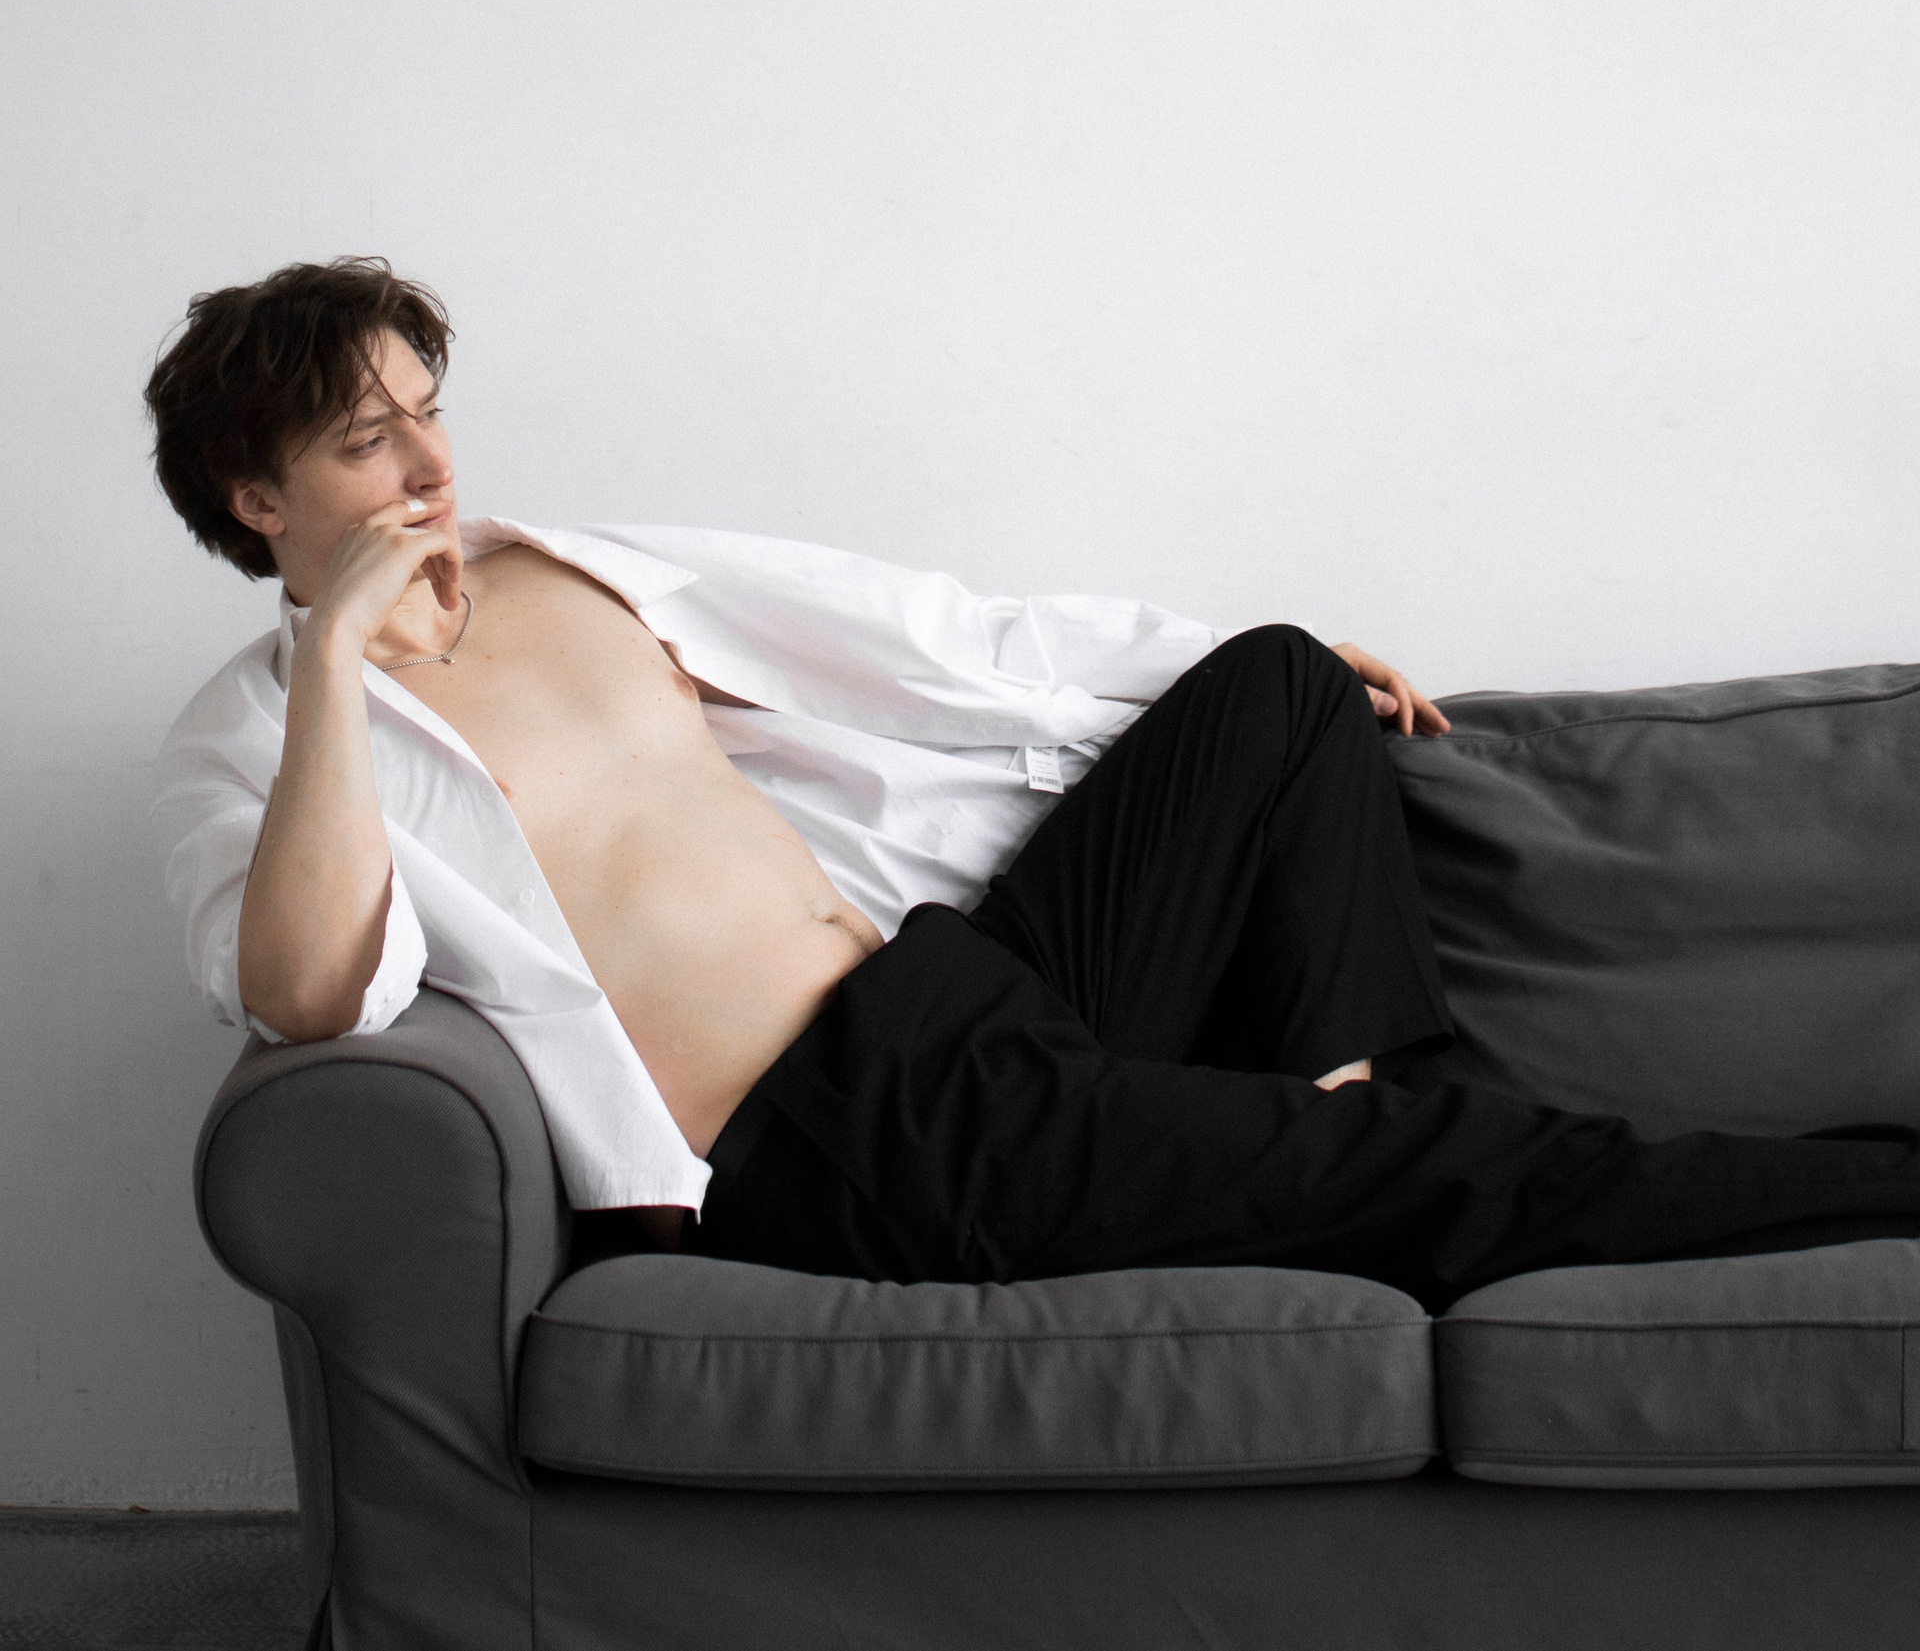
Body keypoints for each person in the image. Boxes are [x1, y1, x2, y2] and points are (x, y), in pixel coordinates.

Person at [150, 258, 1920, 1309]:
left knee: (1278, 682)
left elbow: (927, 638)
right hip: (839, 1137)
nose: (429, 460)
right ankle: (1817, 1180)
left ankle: (1318, 1129)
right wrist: (337, 653)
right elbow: (307, 985)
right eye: (366, 436)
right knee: (1447, 1159)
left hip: (958, 993)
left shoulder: (561, 567)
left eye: (427, 407)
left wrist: (1218, 664)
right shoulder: (255, 736)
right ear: (256, 496)